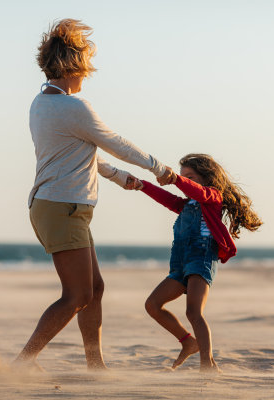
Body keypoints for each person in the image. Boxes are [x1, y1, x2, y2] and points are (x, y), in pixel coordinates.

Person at [16, 18, 175, 370]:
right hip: (62, 207)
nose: (87, 74)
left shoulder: (41, 104)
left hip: (61, 206)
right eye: (85, 66)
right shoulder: (76, 108)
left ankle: (94, 364)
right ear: (74, 65)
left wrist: (120, 178)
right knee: (77, 295)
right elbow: (114, 143)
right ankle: (22, 363)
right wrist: (158, 168)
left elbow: (85, 154)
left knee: (94, 289)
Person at [133, 153, 262, 372]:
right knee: (152, 305)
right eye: (184, 176)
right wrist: (141, 185)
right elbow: (168, 199)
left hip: (201, 259)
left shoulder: (212, 197)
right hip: (180, 263)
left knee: (194, 312)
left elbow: (199, 192)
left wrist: (175, 179)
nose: (186, 181)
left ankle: (207, 364)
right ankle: (187, 342)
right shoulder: (185, 205)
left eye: (190, 176)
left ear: (205, 176)